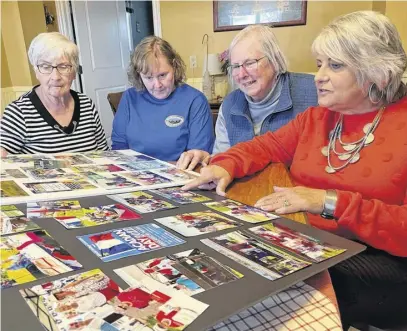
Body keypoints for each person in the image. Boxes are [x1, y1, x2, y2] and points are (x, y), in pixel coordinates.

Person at [185, 11, 407, 330]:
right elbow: (262, 147)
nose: (319, 76)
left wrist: (328, 201)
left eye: (335, 65)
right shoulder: (317, 118)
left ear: (377, 73)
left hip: (379, 259)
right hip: (308, 239)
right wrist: (223, 166)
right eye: (320, 64)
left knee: (273, 288)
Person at [176, 24, 317, 170]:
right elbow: (223, 162)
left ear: (274, 60)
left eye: (250, 63)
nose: (241, 74)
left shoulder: (314, 93)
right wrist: (207, 160)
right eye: (236, 66)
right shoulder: (229, 105)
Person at [0, 32, 108, 156]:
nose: (55, 77)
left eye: (63, 67)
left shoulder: (86, 104)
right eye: (46, 67)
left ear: (74, 72)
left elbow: (103, 153)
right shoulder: (19, 112)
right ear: (36, 72)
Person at [111, 36, 214, 161]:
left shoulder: (195, 101)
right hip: (135, 173)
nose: (157, 85)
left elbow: (197, 156)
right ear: (139, 75)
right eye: (148, 78)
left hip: (181, 174)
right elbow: (119, 147)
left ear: (175, 67)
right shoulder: (129, 98)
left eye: (163, 75)